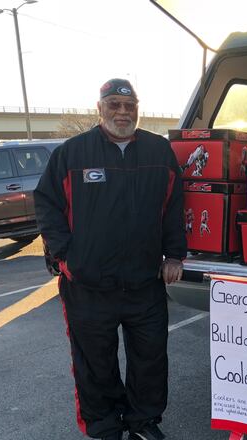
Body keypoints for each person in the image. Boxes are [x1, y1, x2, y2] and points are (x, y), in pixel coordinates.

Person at [34, 78, 186, 440]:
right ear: (99, 108)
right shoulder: (72, 154)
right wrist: (65, 257)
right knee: (95, 363)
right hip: (88, 285)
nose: (122, 112)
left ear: (137, 108)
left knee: (149, 359)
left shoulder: (159, 151)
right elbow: (47, 205)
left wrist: (175, 255)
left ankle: (143, 422)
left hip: (144, 282)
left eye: (129, 105)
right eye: (114, 105)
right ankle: (103, 426)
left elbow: (175, 208)